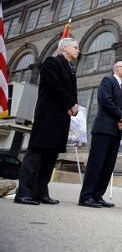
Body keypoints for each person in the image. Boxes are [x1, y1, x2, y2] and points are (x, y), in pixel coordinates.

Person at [14, 38, 79, 205]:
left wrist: (75, 104)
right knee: (36, 154)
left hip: (61, 117)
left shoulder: (71, 68)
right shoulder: (52, 62)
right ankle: (24, 193)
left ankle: (41, 192)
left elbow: (72, 91)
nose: (78, 50)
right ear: (64, 48)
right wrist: (70, 103)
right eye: (75, 47)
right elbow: (54, 85)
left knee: (51, 155)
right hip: (48, 115)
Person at [78, 62, 122, 208]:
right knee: (96, 163)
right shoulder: (108, 81)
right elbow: (105, 101)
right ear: (116, 69)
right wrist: (121, 116)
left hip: (115, 131)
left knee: (108, 165)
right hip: (103, 129)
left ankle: (97, 195)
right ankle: (86, 196)